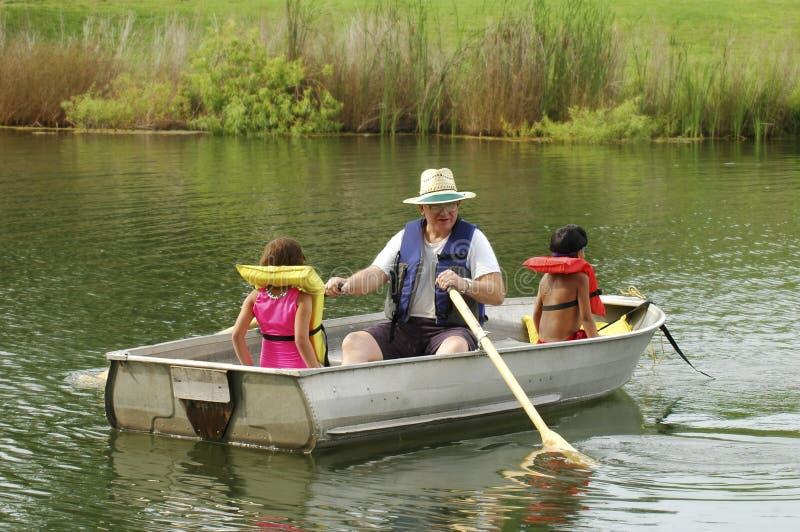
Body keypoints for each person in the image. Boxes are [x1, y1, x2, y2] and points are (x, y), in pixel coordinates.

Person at [325, 167, 505, 364]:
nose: (445, 212)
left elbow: (496, 294)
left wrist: (464, 284)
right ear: (422, 208)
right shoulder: (404, 238)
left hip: (452, 331)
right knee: (353, 342)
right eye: (436, 206)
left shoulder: (474, 239)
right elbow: (374, 275)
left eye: (451, 205)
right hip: (405, 328)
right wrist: (346, 283)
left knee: (453, 349)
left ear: (459, 204)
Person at [231, 237, 322, 369]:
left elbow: (236, 335)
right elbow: (301, 340)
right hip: (298, 366)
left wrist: (249, 368)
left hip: (267, 366)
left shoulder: (254, 297)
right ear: (297, 265)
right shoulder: (302, 298)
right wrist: (316, 371)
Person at [524, 224, 606, 344]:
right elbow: (585, 318)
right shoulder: (581, 279)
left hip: (542, 342)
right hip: (567, 342)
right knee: (596, 335)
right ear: (579, 253)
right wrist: (597, 340)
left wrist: (540, 341)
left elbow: (536, 314)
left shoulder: (545, 278)